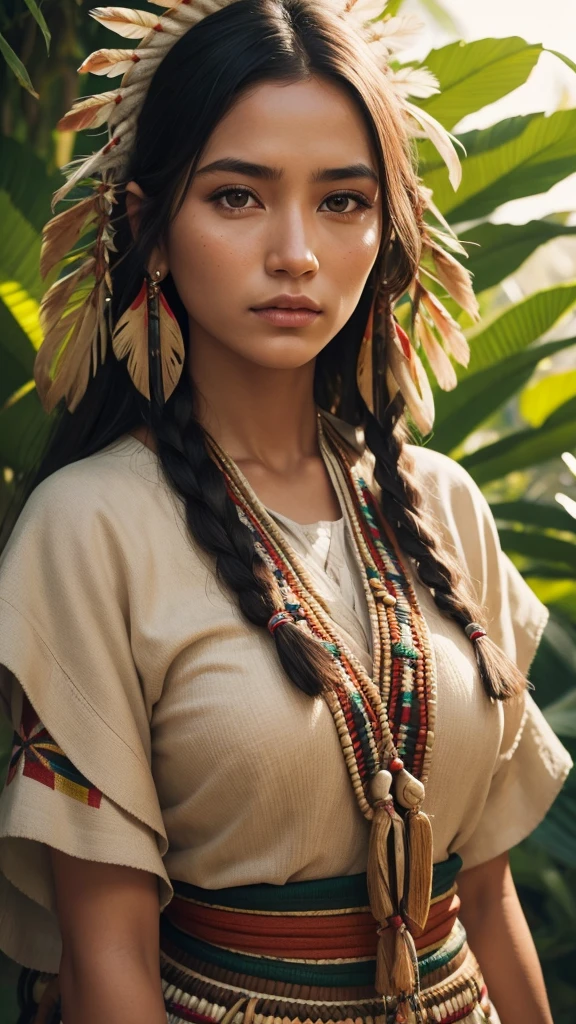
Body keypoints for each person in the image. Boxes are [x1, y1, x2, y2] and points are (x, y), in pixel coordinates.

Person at [0, 1, 571, 1022]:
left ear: (387, 229)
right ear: (150, 228)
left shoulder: (443, 504)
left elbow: (487, 901)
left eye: (344, 201)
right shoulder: (86, 530)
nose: (297, 251)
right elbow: (106, 958)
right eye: (237, 197)